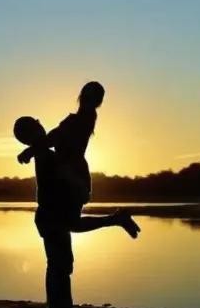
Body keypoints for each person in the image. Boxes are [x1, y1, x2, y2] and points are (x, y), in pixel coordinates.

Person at [13, 116, 139, 308]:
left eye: (38, 126)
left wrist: (30, 151)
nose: (40, 130)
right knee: (59, 265)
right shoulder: (44, 153)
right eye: (34, 129)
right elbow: (60, 170)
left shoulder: (44, 150)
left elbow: (54, 146)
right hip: (50, 214)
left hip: (53, 213)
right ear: (29, 136)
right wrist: (80, 188)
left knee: (60, 264)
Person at [16, 82, 142, 236]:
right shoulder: (79, 120)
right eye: (87, 96)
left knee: (71, 224)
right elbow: (53, 138)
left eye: (91, 98)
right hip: (72, 176)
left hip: (73, 176)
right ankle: (117, 219)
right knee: (70, 223)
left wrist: (31, 150)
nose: (86, 100)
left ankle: (117, 219)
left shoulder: (80, 121)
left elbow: (54, 138)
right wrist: (33, 150)